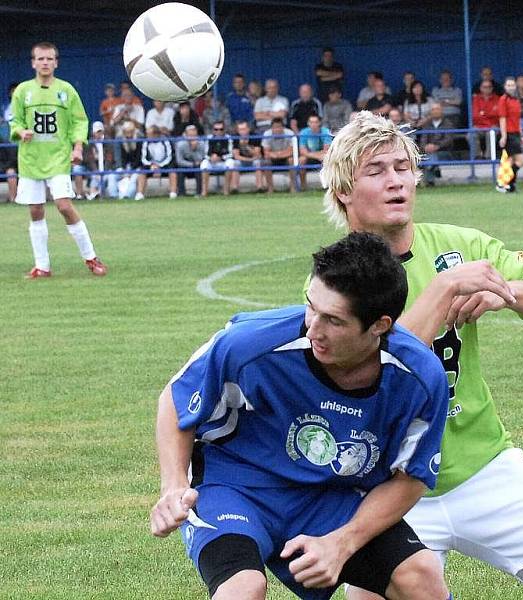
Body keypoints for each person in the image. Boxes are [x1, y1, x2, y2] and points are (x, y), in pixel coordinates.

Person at [320, 112, 523, 600]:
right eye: (376, 171)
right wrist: (442, 292)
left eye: (402, 167)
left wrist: (506, 292)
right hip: (385, 486)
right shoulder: (333, 278)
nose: (396, 182)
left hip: (482, 465)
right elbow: (372, 373)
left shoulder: (458, 246)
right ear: (344, 190)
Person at [150, 231, 451, 600]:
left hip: (329, 498)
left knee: (421, 577)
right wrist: (174, 485)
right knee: (243, 588)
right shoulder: (250, 344)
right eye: (311, 306)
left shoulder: (419, 378)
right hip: (235, 487)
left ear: (380, 326)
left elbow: (412, 476)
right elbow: (175, 399)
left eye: (333, 320)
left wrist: (342, 542)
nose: (312, 328)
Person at [10, 41, 106, 278]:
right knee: (35, 211)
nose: (45, 63)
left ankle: (91, 257)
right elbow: (15, 121)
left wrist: (77, 148)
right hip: (31, 159)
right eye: (40, 59)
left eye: (49, 59)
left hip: (58, 157)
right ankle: (42, 266)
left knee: (64, 205)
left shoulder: (66, 90)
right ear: (33, 63)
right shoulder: (23, 91)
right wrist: (22, 132)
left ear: (56, 62)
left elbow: (79, 121)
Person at [496, 76, 523, 193]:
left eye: (512, 85)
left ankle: (510, 186)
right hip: (509, 134)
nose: (511, 87)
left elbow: (517, 120)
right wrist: (504, 135)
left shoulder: (516, 100)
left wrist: (521, 135)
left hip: (516, 133)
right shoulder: (503, 100)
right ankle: (502, 183)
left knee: (511, 161)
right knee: (521, 161)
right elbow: (502, 118)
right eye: (508, 85)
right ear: (504, 87)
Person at [138, 125, 177, 200]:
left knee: (172, 172)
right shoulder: (146, 142)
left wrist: (159, 166)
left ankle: (173, 193)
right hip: (151, 165)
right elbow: (143, 158)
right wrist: (152, 165)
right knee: (142, 172)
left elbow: (169, 156)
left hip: (164, 164)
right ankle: (140, 194)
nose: (147, 136)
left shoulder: (166, 141)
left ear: (155, 134)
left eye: (149, 134)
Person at [261, 117, 296, 193]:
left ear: (283, 127)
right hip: (273, 158)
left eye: (279, 127)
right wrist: (276, 155)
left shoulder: (290, 133)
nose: (277, 129)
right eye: (275, 127)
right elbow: (266, 153)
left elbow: (291, 152)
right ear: (271, 128)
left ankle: (293, 187)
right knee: (266, 162)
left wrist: (277, 155)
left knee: (292, 160)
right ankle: (270, 189)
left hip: (285, 158)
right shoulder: (267, 134)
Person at [298, 114, 332, 191]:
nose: (313, 124)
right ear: (308, 123)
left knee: (326, 158)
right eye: (311, 122)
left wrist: (319, 155)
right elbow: (303, 151)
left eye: (316, 122)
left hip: (321, 155)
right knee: (301, 160)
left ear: (319, 123)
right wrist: (317, 156)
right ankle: (303, 187)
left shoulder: (326, 131)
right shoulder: (304, 132)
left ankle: (327, 186)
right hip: (312, 156)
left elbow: (326, 150)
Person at [201, 120, 235, 196]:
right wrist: (211, 158)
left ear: (224, 130)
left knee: (231, 163)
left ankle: (226, 191)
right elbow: (205, 153)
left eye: (221, 129)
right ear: (213, 130)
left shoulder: (228, 138)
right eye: (216, 129)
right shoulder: (209, 138)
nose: (218, 131)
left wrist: (220, 158)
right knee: (204, 164)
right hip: (211, 161)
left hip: (223, 161)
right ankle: (204, 192)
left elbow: (230, 154)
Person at [174, 124, 207, 196]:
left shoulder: (201, 143)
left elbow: (202, 158)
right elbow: (179, 161)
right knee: (180, 170)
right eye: (190, 135)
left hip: (197, 165)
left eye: (194, 135)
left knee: (199, 169)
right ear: (185, 135)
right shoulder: (180, 144)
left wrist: (194, 149)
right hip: (185, 165)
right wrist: (192, 164)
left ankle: (199, 193)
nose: (192, 138)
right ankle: (181, 193)